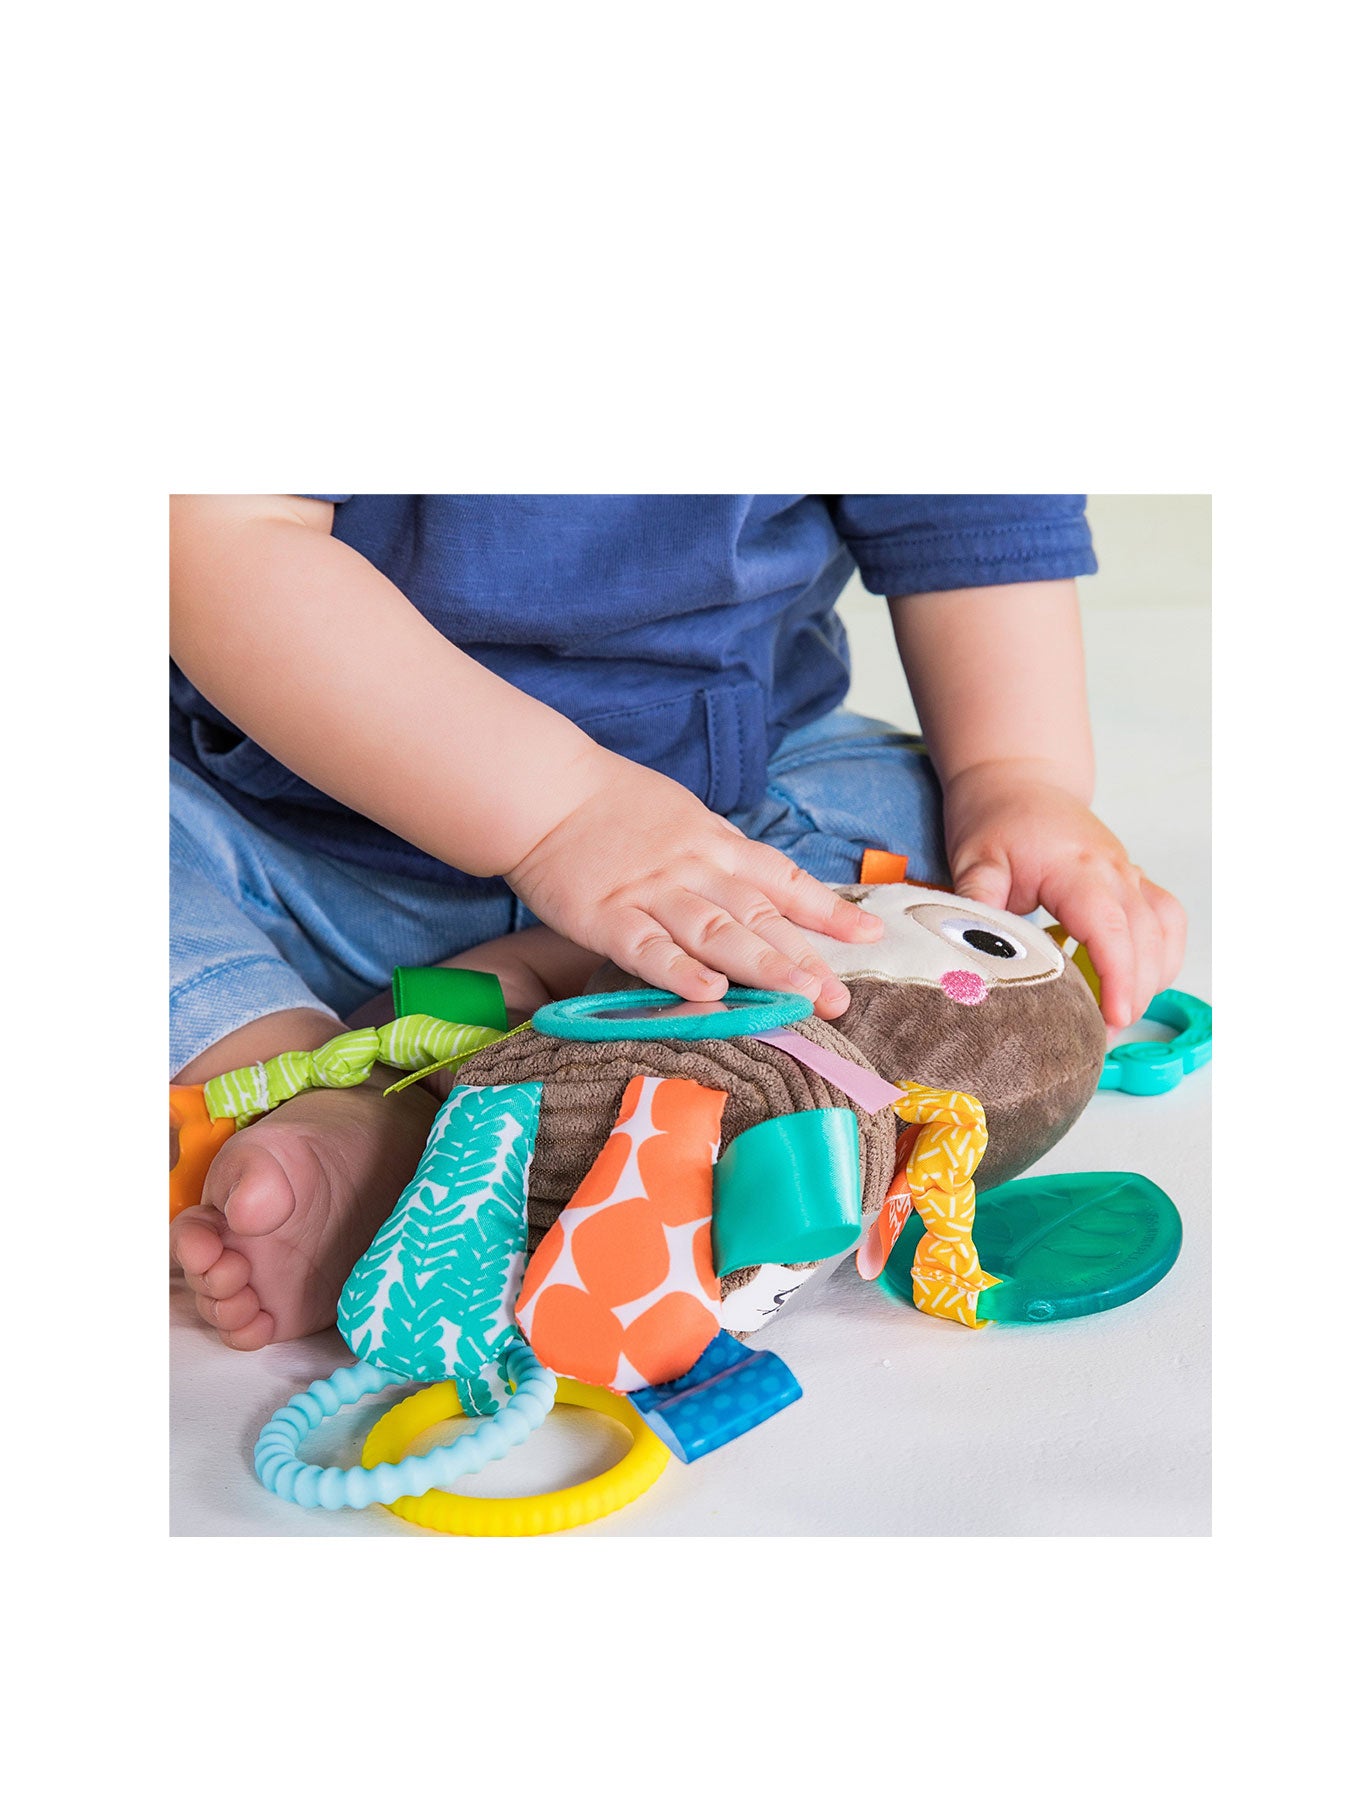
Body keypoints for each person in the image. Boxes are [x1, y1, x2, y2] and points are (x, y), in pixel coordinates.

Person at [169, 493, 1185, 1350]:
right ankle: (331, 1087)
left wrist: (1018, 777)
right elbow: (213, 533)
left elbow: (970, 511)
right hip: (291, 837)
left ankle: (560, 1045)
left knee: (903, 835)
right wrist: (564, 815)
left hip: (729, 824)